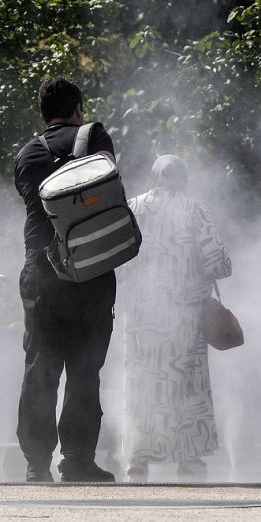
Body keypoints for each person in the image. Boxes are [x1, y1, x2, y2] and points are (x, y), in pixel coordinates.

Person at [13, 76, 117, 482]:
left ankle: (36, 464)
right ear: (79, 109)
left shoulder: (26, 154)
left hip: (40, 272)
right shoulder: (94, 137)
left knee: (41, 366)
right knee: (85, 368)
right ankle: (77, 461)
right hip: (91, 271)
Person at [121, 154, 232, 482]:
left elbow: (119, 261)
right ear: (182, 179)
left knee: (142, 385)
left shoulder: (133, 207)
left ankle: (138, 461)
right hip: (184, 316)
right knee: (187, 386)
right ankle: (190, 459)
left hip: (141, 317)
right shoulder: (194, 209)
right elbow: (219, 264)